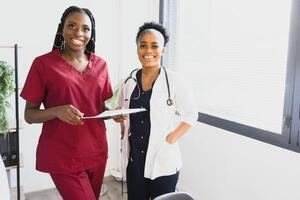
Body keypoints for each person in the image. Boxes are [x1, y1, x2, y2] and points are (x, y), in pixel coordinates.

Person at [20, 6, 112, 200]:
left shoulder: (101, 65)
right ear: (62, 28)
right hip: (63, 155)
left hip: (96, 152)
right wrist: (57, 111)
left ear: (91, 33)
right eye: (72, 26)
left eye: (85, 28)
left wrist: (115, 113)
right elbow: (30, 115)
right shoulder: (43, 64)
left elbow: (100, 107)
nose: (78, 32)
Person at [115, 22, 198, 200]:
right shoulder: (128, 81)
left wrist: (171, 139)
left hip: (163, 159)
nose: (148, 51)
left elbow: (191, 115)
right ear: (137, 48)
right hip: (135, 160)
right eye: (143, 45)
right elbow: (120, 109)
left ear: (163, 50)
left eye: (154, 46)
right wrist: (118, 117)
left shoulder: (176, 81)